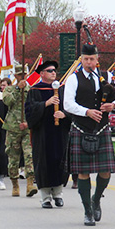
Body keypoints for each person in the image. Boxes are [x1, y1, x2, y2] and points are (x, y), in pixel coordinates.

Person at [63, 43, 115, 226]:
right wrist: (87, 111)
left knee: (106, 171)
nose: (89, 62)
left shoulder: (107, 76)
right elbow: (67, 104)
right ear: (81, 60)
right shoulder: (74, 79)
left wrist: (113, 105)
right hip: (81, 128)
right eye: (85, 59)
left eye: (92, 59)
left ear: (97, 59)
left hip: (101, 129)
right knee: (83, 172)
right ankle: (87, 211)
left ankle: (96, 199)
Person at [25, 61, 70, 208]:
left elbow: (71, 107)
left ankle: (58, 194)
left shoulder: (63, 90)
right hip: (42, 133)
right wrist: (45, 104)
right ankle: (45, 197)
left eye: (54, 70)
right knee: (44, 162)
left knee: (60, 161)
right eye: (49, 70)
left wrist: (64, 114)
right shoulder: (35, 90)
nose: (53, 72)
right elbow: (30, 112)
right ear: (42, 73)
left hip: (60, 133)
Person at [3, 64, 37, 197]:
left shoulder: (32, 90)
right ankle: (15, 184)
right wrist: (18, 89)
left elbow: (35, 108)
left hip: (27, 128)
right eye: (19, 74)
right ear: (15, 76)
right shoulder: (9, 89)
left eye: (24, 74)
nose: (22, 77)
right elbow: (8, 101)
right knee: (13, 158)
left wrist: (29, 123)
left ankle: (30, 184)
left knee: (29, 156)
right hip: (13, 128)